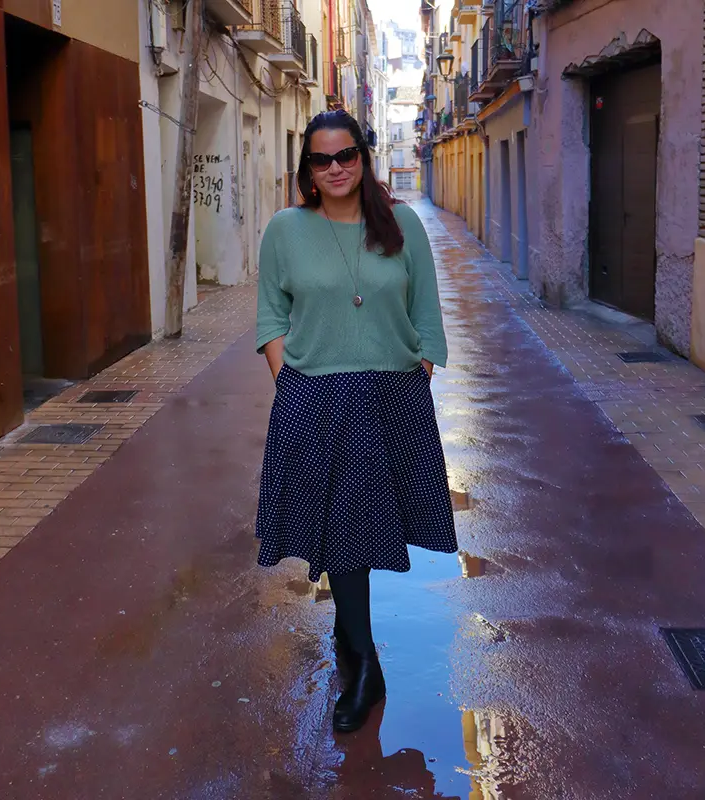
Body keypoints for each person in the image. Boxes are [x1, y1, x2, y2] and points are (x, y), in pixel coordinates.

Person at [255, 110, 457, 734]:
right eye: (321, 159)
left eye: (346, 155)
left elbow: (426, 311)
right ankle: (365, 663)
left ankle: (354, 644)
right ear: (307, 171)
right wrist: (289, 381)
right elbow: (270, 317)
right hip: (315, 396)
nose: (335, 167)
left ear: (364, 159)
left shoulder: (403, 226)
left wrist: (416, 368)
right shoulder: (285, 231)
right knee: (342, 526)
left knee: (363, 524)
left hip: (393, 396)